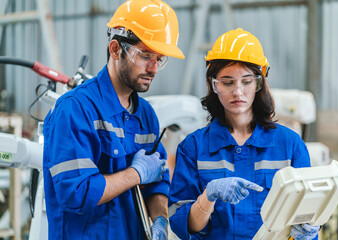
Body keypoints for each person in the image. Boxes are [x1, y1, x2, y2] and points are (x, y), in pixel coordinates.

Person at [42, 0, 184, 239]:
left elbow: (157, 182)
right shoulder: (75, 109)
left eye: (159, 59)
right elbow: (76, 193)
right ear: (116, 49)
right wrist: (135, 174)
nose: (154, 68)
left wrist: (159, 218)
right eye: (146, 55)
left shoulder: (145, 115)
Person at [168, 28, 320, 239]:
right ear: (213, 85)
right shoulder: (193, 148)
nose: (237, 92)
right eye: (227, 82)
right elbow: (181, 224)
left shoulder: (290, 145)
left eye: (246, 81)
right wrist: (207, 198)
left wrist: (309, 231)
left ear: (260, 82)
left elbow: (307, 212)